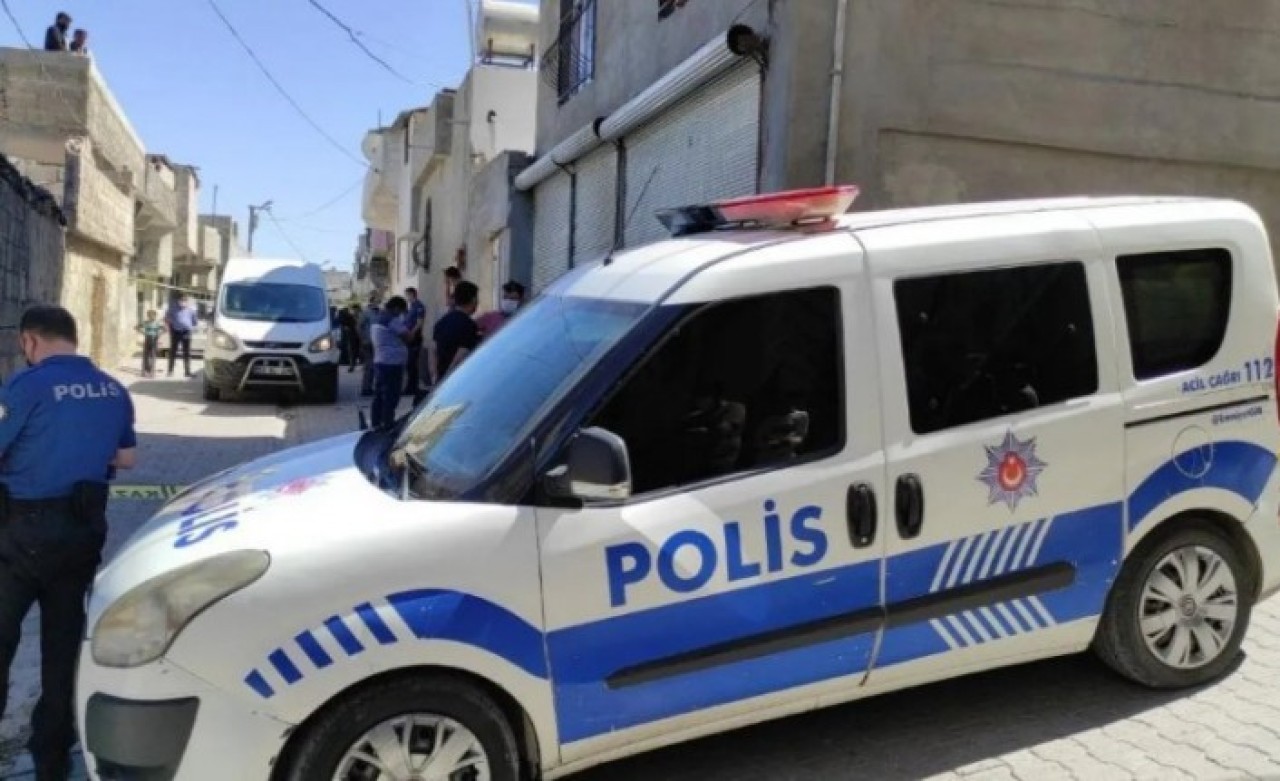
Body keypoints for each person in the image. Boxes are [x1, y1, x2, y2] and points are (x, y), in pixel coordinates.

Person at [0, 305, 136, 781]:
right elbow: (127, 457)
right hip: (81, 530)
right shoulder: (113, 389)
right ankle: (52, 760)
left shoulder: (25, 385)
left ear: (30, 340)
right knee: (62, 649)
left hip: (20, 533)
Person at [370, 297, 410, 428]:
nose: (400, 314)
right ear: (396, 308)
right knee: (391, 395)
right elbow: (407, 336)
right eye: (401, 311)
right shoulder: (391, 320)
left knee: (379, 394)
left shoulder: (377, 318)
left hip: (380, 361)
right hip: (392, 363)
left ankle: (376, 423)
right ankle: (387, 423)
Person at [433, 280, 480, 381]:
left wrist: (435, 375)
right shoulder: (469, 325)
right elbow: (462, 354)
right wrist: (448, 377)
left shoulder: (442, 321)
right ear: (473, 299)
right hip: (456, 379)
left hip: (440, 377)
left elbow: (433, 350)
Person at [164, 294, 198, 378]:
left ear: (187, 301)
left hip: (186, 332)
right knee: (173, 352)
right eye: (181, 300)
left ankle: (187, 372)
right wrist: (170, 326)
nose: (183, 302)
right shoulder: (173, 309)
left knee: (187, 353)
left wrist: (190, 327)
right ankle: (170, 371)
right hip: (175, 332)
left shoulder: (191, 310)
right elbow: (167, 318)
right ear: (178, 301)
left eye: (185, 300)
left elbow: (194, 321)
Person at [402, 287, 427, 397]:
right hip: (409, 337)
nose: (406, 297)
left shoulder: (418, 306)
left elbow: (419, 323)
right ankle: (410, 386)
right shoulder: (411, 307)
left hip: (414, 338)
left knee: (412, 363)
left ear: (412, 294)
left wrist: (412, 333)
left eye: (407, 295)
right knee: (409, 364)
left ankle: (412, 387)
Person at [357, 295, 381, 397]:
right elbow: (359, 327)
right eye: (376, 301)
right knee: (369, 366)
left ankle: (372, 387)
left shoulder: (379, 312)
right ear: (372, 302)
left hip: (377, 343)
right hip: (368, 342)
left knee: (376, 366)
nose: (377, 303)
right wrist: (363, 339)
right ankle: (366, 388)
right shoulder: (366, 313)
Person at [136, 309, 165, 378]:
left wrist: (159, 334)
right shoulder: (145, 322)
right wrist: (144, 333)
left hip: (154, 339)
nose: (152, 317)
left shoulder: (158, 323)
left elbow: (165, 329)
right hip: (147, 339)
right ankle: (145, 371)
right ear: (148, 316)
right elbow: (136, 327)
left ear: (155, 316)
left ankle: (152, 372)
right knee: (145, 356)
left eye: (153, 315)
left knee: (153, 356)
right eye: (150, 315)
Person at [345, 304, 363, 373]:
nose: (355, 311)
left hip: (361, 337)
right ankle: (352, 366)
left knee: (362, 351)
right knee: (352, 352)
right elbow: (346, 327)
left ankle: (363, 365)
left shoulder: (362, 316)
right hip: (352, 337)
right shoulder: (349, 317)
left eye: (357, 310)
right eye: (354, 310)